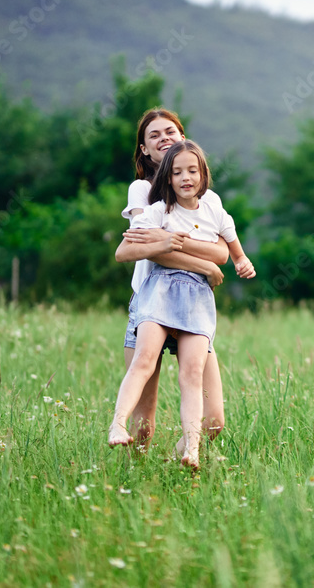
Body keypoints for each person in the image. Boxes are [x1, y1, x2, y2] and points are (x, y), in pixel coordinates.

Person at [110, 139, 255, 467]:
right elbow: (127, 249)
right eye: (177, 172)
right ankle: (118, 423)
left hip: (198, 298)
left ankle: (191, 447)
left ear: (203, 174)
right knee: (144, 361)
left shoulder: (213, 208)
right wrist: (162, 241)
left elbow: (228, 239)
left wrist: (241, 259)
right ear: (168, 178)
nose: (186, 177)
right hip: (159, 291)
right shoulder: (158, 209)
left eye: (192, 170)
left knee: (192, 373)